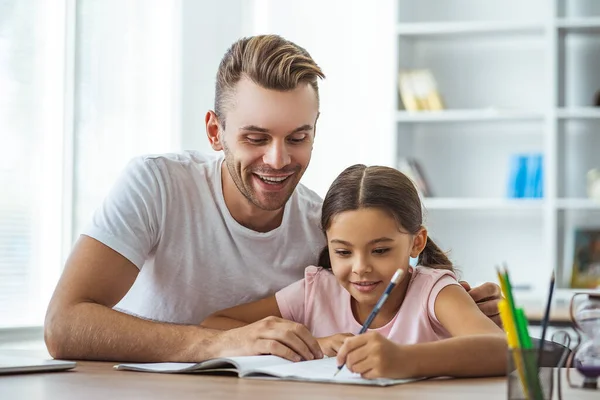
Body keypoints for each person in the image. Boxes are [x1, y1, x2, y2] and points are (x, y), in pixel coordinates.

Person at [44, 34, 503, 363]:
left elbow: (384, 295)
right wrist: (222, 343)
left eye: (298, 137)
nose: (278, 159)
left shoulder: (323, 227)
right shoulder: (157, 185)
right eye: (256, 137)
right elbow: (64, 327)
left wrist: (449, 306)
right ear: (214, 131)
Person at [201, 164, 507, 379]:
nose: (360, 268)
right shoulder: (317, 290)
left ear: (417, 242)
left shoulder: (433, 291)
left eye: (381, 250)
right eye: (343, 252)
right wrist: (312, 345)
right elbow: (213, 324)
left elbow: (501, 350)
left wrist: (403, 360)